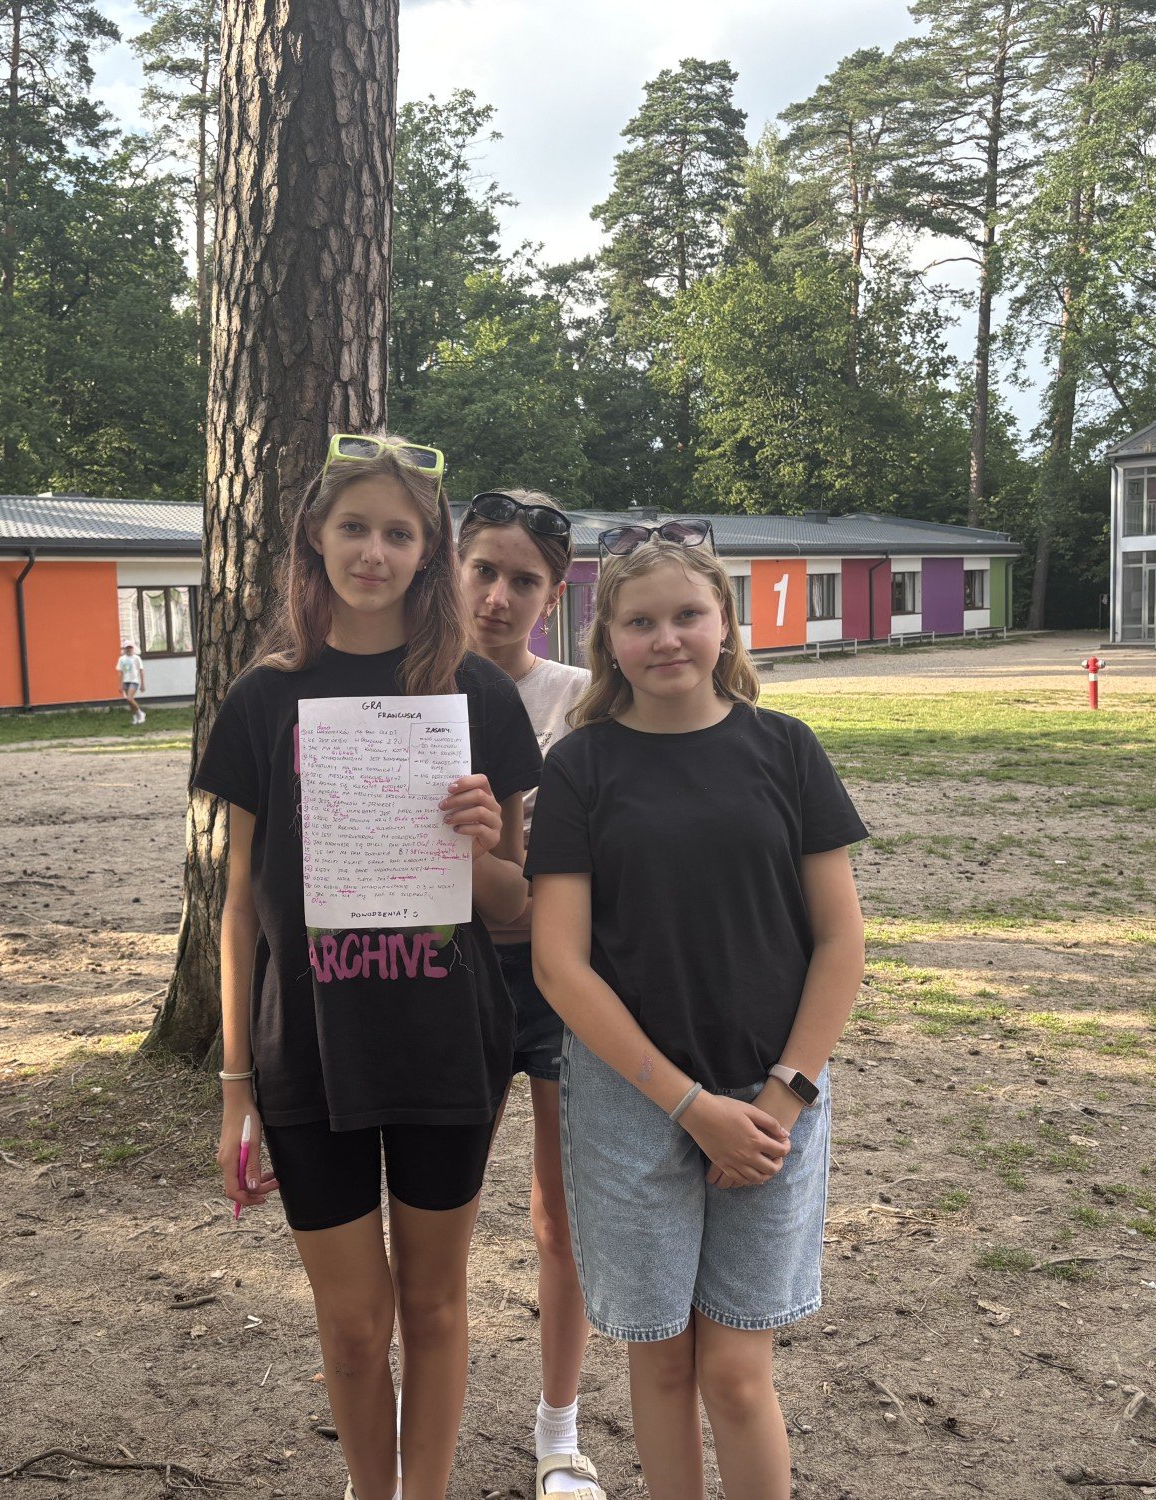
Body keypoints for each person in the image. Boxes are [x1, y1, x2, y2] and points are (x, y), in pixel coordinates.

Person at [193, 432, 541, 1500]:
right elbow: (239, 907)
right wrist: (236, 1089)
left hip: (445, 1042)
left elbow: (515, 904)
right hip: (309, 1049)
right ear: (314, 536)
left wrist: (480, 847)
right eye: (354, 528)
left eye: (399, 533)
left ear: (430, 551)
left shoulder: (477, 696)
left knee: (433, 1306)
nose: (374, 553)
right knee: (351, 1326)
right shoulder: (263, 699)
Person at [527, 522, 867, 1500]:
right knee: (663, 1362)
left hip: (772, 1101)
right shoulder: (579, 768)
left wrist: (781, 1097)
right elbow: (559, 965)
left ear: (725, 622)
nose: (665, 638)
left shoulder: (784, 749)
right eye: (639, 622)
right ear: (608, 637)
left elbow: (840, 940)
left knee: (735, 1372)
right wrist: (687, 1105)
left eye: (686, 614)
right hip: (630, 1107)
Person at [455, 489, 603, 1500]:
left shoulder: (586, 701)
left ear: (553, 594)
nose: (498, 597)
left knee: (561, 1219)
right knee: (440, 1219)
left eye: (524, 580)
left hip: (562, 980)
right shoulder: (407, 691)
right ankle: (424, 1426)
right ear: (453, 571)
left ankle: (559, 1434)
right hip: (449, 974)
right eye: (483, 571)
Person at [117, 641, 145, 724]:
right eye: (127, 648)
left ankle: (140, 713)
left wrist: (142, 684)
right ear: (124, 649)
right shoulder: (122, 659)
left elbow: (141, 671)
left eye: (130, 647)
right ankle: (135, 717)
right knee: (129, 701)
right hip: (125, 681)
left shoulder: (136, 658)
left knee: (129, 698)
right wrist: (120, 685)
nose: (129, 649)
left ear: (133, 648)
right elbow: (120, 673)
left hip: (134, 681)